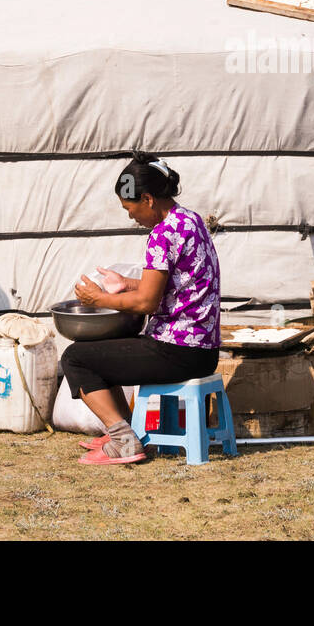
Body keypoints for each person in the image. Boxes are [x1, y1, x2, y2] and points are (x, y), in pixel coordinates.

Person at [61, 153, 221, 465]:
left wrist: (98, 299)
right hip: (204, 350)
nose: (130, 216)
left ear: (147, 199)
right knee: (101, 352)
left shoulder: (161, 235)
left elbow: (147, 302)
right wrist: (125, 282)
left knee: (76, 358)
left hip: (177, 351)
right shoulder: (190, 220)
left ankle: (123, 440)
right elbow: (176, 284)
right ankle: (126, 433)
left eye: (129, 207)